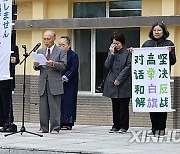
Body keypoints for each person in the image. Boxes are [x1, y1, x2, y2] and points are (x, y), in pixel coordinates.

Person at [142, 22, 176, 137]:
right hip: (150, 79)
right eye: (155, 30)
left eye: (159, 30)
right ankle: (154, 128)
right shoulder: (147, 44)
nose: (156, 32)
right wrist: (134, 53)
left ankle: (161, 129)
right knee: (152, 104)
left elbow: (173, 61)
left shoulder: (169, 44)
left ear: (164, 32)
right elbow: (140, 60)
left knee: (162, 104)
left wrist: (170, 53)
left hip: (162, 79)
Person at [33, 30, 67, 134]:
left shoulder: (61, 51)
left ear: (54, 39)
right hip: (43, 82)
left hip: (55, 82)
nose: (46, 41)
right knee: (43, 107)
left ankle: (55, 127)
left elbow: (63, 65)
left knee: (54, 107)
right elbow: (36, 68)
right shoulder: (40, 51)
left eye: (48, 39)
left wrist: (53, 64)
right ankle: (43, 127)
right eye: (44, 39)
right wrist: (36, 65)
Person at [103, 32, 132, 133]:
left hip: (124, 83)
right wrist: (111, 54)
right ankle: (116, 125)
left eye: (117, 43)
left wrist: (120, 79)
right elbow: (107, 65)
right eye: (114, 43)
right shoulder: (112, 53)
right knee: (115, 105)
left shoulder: (128, 52)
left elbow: (128, 67)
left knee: (124, 105)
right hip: (112, 82)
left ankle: (124, 126)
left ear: (122, 43)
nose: (116, 45)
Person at [58, 36, 79, 130]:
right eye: (59, 45)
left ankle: (68, 122)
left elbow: (73, 68)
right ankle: (60, 121)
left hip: (70, 83)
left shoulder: (73, 55)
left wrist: (65, 77)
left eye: (63, 45)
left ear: (69, 45)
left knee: (69, 101)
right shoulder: (58, 55)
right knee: (59, 102)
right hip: (58, 82)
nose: (61, 47)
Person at [0, 44, 20, 132]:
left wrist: (14, 60)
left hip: (6, 78)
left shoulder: (12, 47)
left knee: (6, 101)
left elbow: (17, 59)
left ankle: (7, 122)